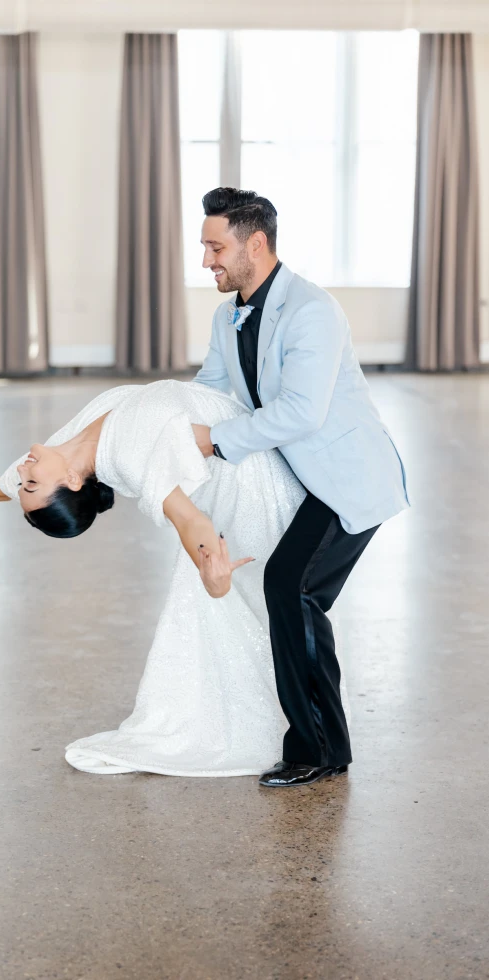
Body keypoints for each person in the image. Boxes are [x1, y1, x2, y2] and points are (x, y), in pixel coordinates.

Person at [0, 377, 308, 777]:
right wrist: (215, 580)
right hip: (249, 488)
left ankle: (298, 706)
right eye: (31, 483)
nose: (23, 474)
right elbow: (187, 519)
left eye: (25, 483)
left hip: (243, 448)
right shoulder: (125, 459)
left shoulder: (61, 449)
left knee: (267, 608)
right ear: (73, 483)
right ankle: (296, 718)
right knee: (261, 604)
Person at [189, 187, 410, 786]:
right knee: (294, 594)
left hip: (347, 478)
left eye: (215, 247)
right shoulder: (226, 314)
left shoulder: (311, 309)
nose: (206, 259)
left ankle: (316, 750)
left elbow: (301, 412)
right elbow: (211, 390)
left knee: (293, 588)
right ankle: (321, 744)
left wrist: (213, 440)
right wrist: (165, 421)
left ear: (254, 243)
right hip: (304, 479)